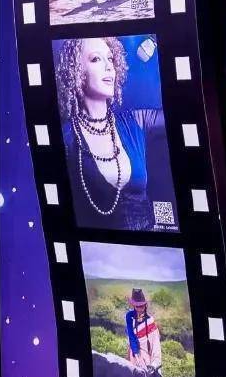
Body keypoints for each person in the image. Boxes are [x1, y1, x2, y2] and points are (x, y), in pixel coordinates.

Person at [58, 36, 168, 231]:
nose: (109, 66)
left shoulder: (136, 121)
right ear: (77, 71)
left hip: (152, 244)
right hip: (100, 248)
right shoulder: (67, 139)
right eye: (96, 59)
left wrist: (158, 40)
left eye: (110, 58)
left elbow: (184, 110)